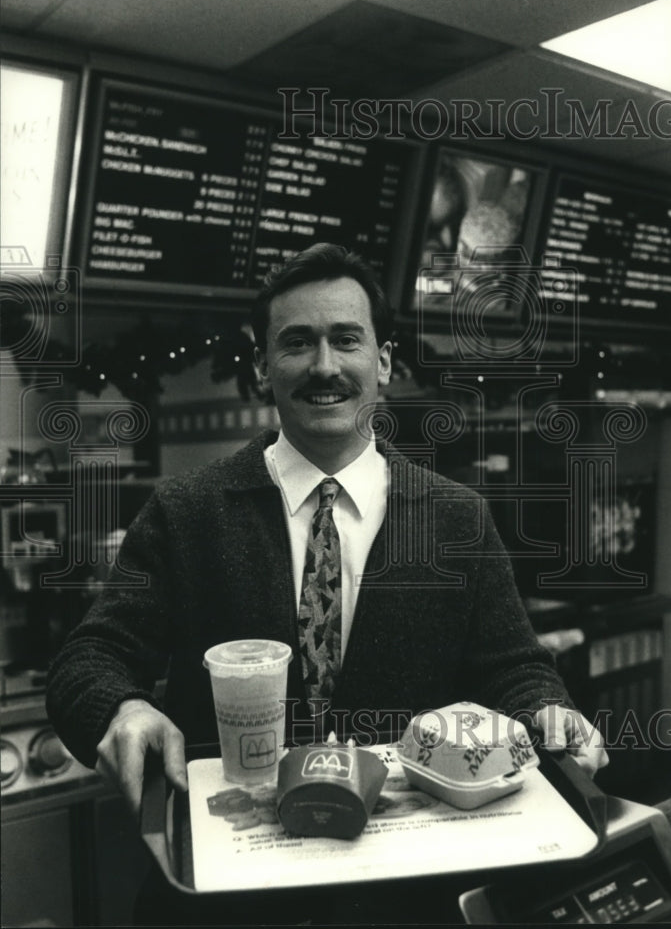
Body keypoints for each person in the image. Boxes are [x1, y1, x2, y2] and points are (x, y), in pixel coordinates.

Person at [46, 242, 606, 920]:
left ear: (384, 362)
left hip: (408, 897)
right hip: (227, 897)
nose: (324, 366)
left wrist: (549, 708)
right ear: (262, 366)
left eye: (346, 340)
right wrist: (120, 708)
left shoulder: (458, 517)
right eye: (297, 343)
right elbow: (90, 657)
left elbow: (513, 667)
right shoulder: (186, 512)